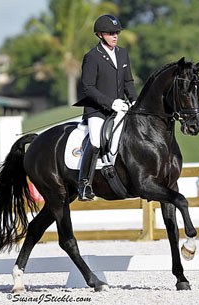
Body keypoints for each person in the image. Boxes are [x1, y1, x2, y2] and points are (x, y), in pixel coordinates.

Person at [76, 14, 137, 201]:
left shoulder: (123, 53)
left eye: (117, 32)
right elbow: (87, 88)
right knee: (95, 141)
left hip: (120, 108)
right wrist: (110, 102)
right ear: (100, 34)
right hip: (97, 110)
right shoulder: (92, 57)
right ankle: (84, 184)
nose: (115, 36)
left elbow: (128, 81)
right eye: (111, 33)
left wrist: (134, 100)